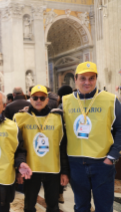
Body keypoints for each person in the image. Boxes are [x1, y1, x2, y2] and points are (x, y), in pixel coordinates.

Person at [62, 61, 121, 212]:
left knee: (104, 207)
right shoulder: (66, 101)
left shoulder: (110, 100)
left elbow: (120, 128)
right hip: (76, 163)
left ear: (96, 79)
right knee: (81, 207)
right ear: (75, 79)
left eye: (91, 78)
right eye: (83, 78)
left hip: (102, 162)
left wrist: (112, 156)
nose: (87, 82)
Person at [14, 85, 69, 212]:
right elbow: (16, 147)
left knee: (53, 206)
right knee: (29, 206)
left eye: (42, 98)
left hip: (52, 169)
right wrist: (18, 170)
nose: (38, 100)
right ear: (30, 99)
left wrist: (65, 171)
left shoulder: (57, 117)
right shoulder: (20, 117)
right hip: (30, 169)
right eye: (35, 97)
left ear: (47, 99)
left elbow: (62, 146)